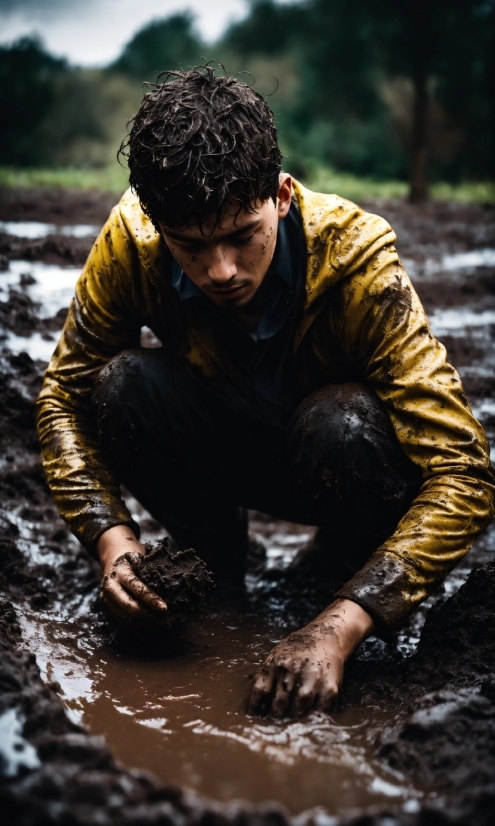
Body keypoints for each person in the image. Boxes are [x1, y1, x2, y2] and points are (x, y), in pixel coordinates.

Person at [37, 67, 495, 719]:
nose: (220, 270)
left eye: (240, 236)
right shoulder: (131, 243)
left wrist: (342, 623)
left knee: (345, 423)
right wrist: (112, 542)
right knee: (121, 385)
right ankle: (215, 568)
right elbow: (62, 397)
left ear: (280, 195)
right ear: (153, 218)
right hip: (223, 449)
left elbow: (464, 472)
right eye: (190, 246)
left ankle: (332, 570)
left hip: (335, 463)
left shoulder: (359, 263)